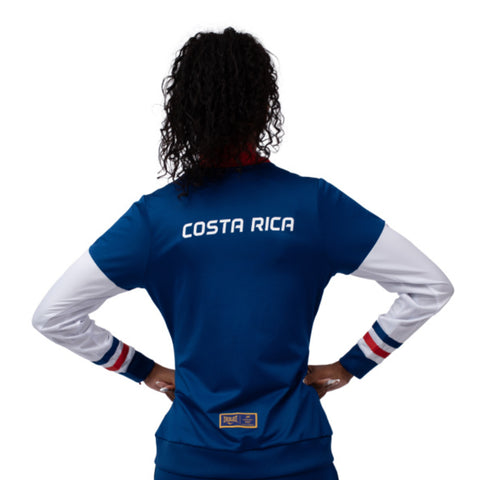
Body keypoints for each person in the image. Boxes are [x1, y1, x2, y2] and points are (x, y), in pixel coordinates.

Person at [32, 27, 454, 480]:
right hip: (296, 451)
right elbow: (430, 286)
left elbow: (53, 316)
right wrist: (353, 364)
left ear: (183, 111)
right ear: (263, 106)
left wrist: (145, 371)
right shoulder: (313, 205)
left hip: (191, 453)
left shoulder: (154, 219)